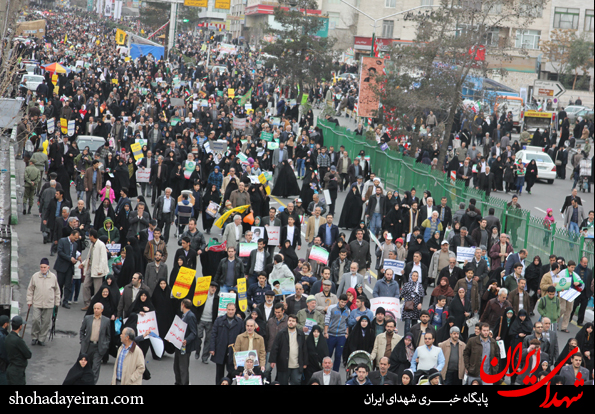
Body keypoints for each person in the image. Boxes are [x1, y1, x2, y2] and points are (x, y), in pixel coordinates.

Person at [27, 258, 60, 347]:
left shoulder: (53, 277)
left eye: (44, 267)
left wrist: (57, 303)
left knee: (46, 322)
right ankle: (34, 337)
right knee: (35, 320)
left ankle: (41, 339)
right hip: (37, 303)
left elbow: (57, 291)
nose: (43, 269)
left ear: (48, 267)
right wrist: (29, 301)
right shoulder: (35, 276)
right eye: (41, 267)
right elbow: (30, 289)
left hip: (49, 304)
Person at [211, 302, 245, 384]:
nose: (230, 311)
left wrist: (241, 351)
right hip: (220, 349)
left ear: (235, 310)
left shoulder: (240, 322)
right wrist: (212, 348)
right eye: (229, 309)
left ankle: (226, 382)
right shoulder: (219, 320)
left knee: (233, 371)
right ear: (226, 310)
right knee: (219, 372)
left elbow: (242, 337)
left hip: (233, 351)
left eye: (232, 310)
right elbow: (213, 334)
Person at [269, 314, 308, 385]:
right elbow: (275, 347)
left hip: (297, 364)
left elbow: (304, 348)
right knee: (283, 383)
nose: (291, 322)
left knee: (296, 382)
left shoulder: (300, 334)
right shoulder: (281, 333)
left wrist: (305, 362)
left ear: (296, 323)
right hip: (283, 364)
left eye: (293, 321)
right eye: (290, 320)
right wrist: (273, 360)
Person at [79, 302, 111, 384]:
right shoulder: (87, 318)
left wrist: (105, 345)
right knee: (85, 365)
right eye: (95, 308)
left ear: (102, 310)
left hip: (98, 347)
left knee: (95, 367)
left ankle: (92, 383)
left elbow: (108, 335)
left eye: (98, 309)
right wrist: (83, 341)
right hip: (88, 345)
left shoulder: (106, 320)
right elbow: (82, 331)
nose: (96, 310)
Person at [80, 230, 109, 311]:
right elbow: (89, 256)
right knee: (85, 285)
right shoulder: (92, 244)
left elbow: (103, 258)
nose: (89, 237)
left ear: (92, 236)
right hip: (90, 267)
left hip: (98, 270)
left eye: (89, 235)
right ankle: (88, 304)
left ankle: (96, 306)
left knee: (97, 289)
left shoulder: (101, 245)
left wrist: (100, 269)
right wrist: (83, 263)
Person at [174, 299, 198, 386]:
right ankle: (178, 382)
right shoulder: (184, 315)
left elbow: (194, 332)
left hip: (184, 346)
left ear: (183, 305)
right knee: (177, 367)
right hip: (178, 345)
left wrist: (186, 340)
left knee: (183, 368)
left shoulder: (190, 316)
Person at [324, 294, 350, 372]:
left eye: (345, 302)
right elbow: (327, 320)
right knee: (328, 355)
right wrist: (326, 332)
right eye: (342, 302)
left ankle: (335, 373)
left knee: (338, 356)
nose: (343, 304)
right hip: (331, 334)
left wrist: (346, 334)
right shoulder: (332, 308)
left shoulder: (348, 310)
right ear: (338, 300)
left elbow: (347, 323)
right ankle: (325, 370)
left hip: (341, 336)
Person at [4, 316, 32, 385]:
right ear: (20, 326)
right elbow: (28, 354)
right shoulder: (18, 340)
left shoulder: (8, 337)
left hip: (11, 368)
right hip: (17, 371)